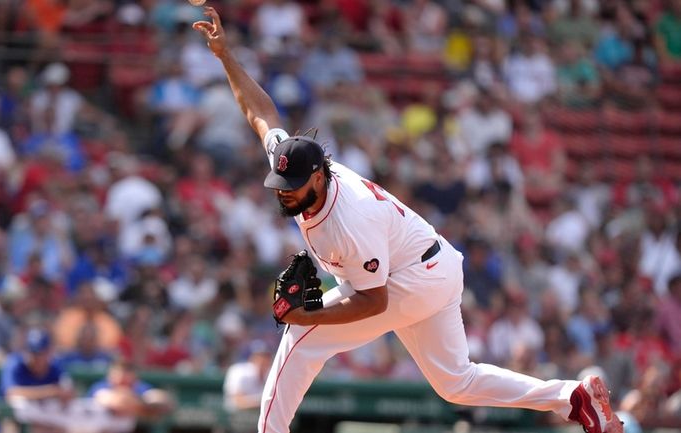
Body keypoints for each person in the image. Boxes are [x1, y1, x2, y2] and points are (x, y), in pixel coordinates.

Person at [192, 7, 624, 433]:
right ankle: (573, 397)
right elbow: (261, 114)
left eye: (293, 182)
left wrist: (306, 316)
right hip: (432, 266)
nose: (283, 188)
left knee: (300, 342)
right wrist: (226, 57)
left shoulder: (348, 219)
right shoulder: (302, 164)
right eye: (281, 180)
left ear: (319, 176)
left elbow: (373, 303)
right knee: (456, 382)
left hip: (408, 279)